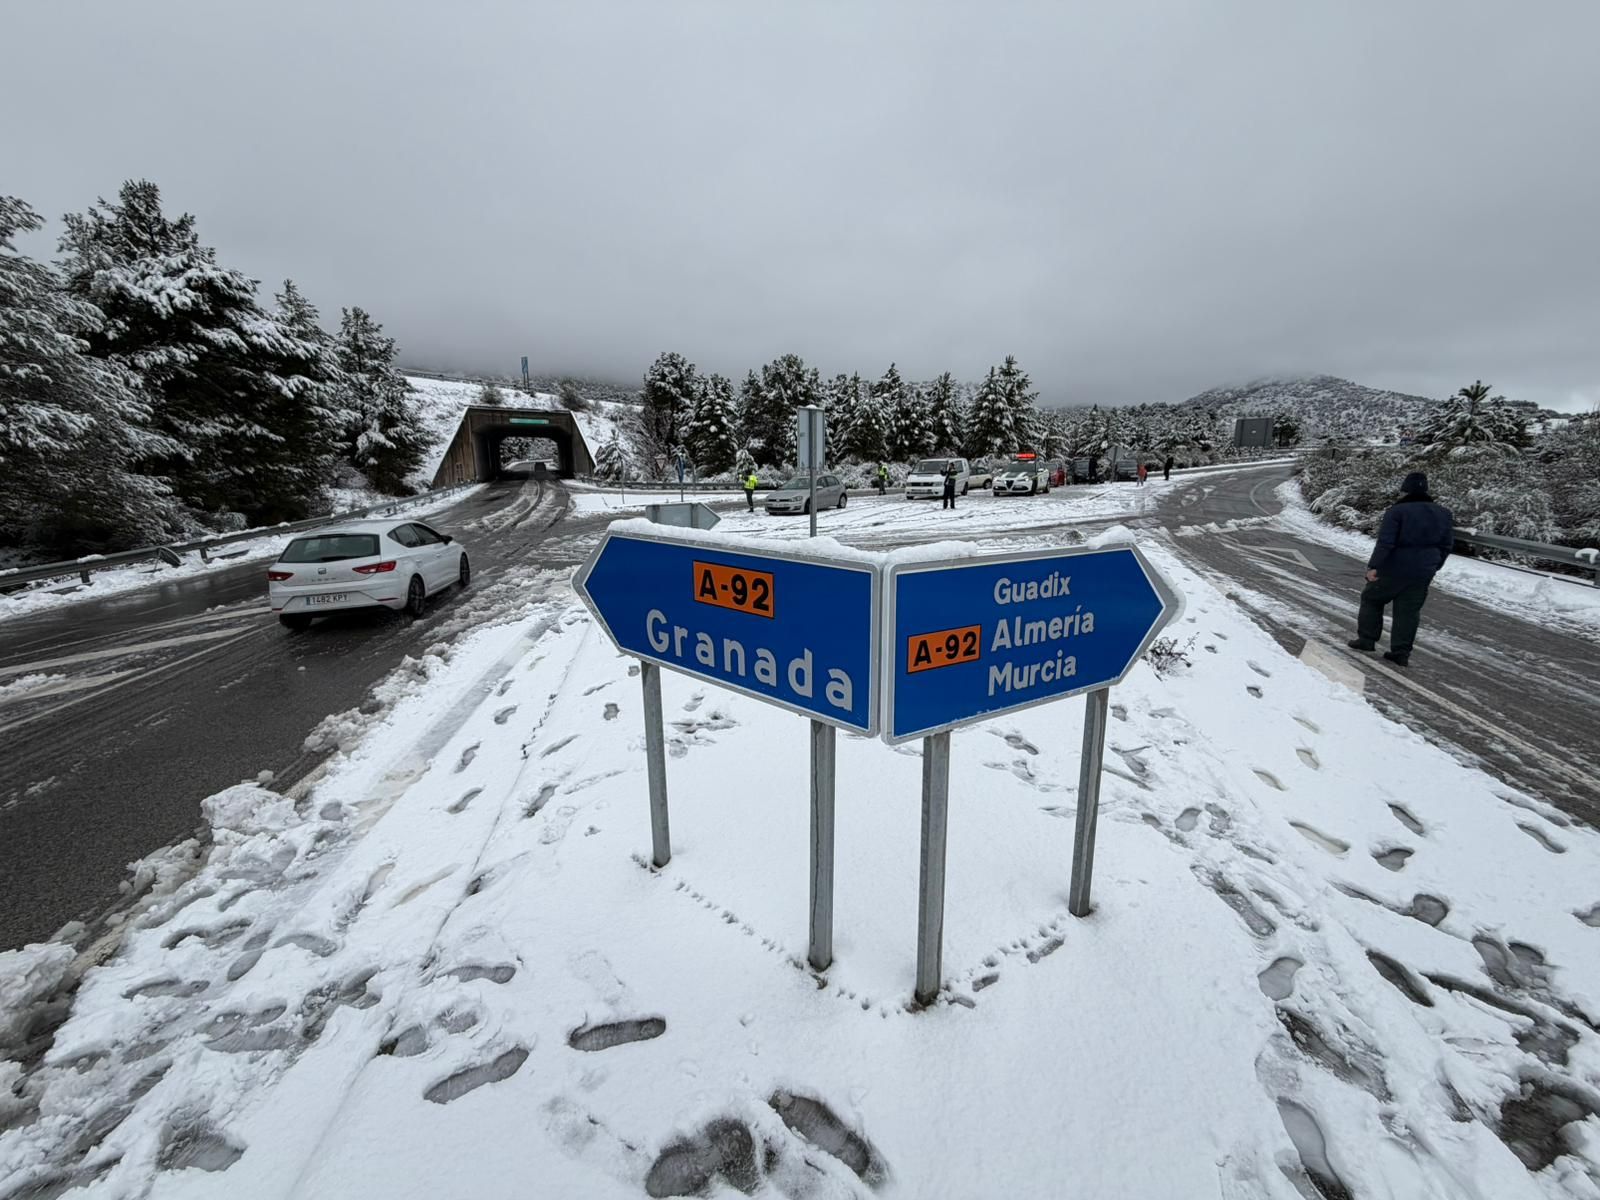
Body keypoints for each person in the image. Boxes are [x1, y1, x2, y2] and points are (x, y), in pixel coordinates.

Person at [1347, 471, 1454, 667]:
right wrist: (1434, 565)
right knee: (1408, 611)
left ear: (1405, 490)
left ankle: (1367, 640)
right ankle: (1401, 652)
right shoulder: (1444, 513)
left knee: (1371, 599)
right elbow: (1446, 545)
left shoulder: (1396, 512)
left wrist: (1374, 566)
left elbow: (1386, 543)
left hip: (1393, 568)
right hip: (1423, 570)